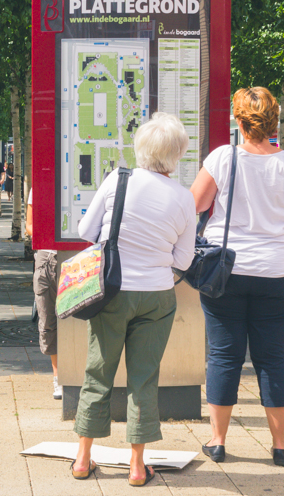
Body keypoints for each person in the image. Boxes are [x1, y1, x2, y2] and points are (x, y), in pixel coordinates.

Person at [190, 87, 284, 467]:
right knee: (272, 358)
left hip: (225, 271)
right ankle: (280, 445)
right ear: (274, 121)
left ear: (239, 121)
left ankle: (217, 441)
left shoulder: (222, 158)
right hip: (276, 272)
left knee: (223, 354)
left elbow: (195, 204)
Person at [72, 113, 196, 487]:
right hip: (158, 296)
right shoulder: (184, 198)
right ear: (176, 155)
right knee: (144, 377)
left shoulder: (117, 181)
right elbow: (184, 260)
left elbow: (85, 231)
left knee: (99, 370)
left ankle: (82, 458)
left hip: (113, 291)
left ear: (141, 148)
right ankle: (138, 467)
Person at [25, 186, 60, 399]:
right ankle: (59, 377)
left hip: (79, 256)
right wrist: (46, 234)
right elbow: (29, 225)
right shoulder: (40, 184)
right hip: (47, 256)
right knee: (48, 319)